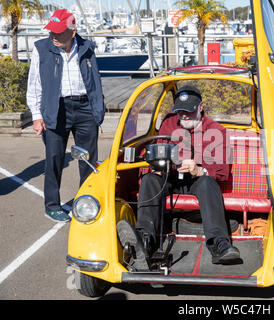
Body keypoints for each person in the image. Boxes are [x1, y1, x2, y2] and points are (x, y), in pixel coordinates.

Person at [117, 86, 241, 268]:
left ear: (201, 107)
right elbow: (159, 148)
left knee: (208, 183)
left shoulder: (217, 131)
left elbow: (222, 172)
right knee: (150, 180)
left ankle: (219, 244)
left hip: (197, 180)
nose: (183, 116)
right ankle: (144, 241)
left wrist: (199, 169)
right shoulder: (169, 123)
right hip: (171, 175)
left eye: (188, 111)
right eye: (180, 111)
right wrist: (159, 164)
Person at [26, 9, 105, 223]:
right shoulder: (41, 49)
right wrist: (36, 115)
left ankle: (86, 201)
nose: (53, 35)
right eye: (51, 30)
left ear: (72, 31)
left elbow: (95, 81)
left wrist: (98, 109)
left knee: (88, 160)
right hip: (56, 108)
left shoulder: (87, 48)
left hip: (85, 108)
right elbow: (34, 84)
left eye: (59, 32)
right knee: (54, 158)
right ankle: (52, 205)